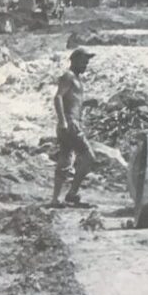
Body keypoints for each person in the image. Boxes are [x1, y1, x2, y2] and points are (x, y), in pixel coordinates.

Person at [52, 45, 94, 207]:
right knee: (89, 157)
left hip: (70, 123)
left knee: (65, 159)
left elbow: (72, 100)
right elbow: (58, 98)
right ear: (74, 60)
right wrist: (62, 120)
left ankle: (56, 199)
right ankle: (72, 193)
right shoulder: (68, 77)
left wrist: (88, 103)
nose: (85, 65)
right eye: (83, 62)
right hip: (70, 123)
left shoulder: (76, 78)